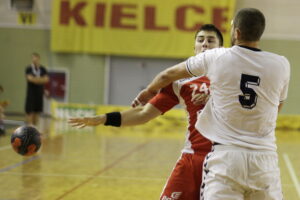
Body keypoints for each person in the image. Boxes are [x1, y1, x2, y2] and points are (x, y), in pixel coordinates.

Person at [131, 8, 290, 200]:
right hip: (265, 158)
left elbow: (167, 75)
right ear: (260, 33)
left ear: (236, 32)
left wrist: (149, 91)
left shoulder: (218, 56)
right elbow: (276, 108)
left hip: (226, 157)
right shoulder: (282, 64)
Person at [69, 24, 223, 200]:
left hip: (223, 159)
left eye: (210, 40)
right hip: (192, 158)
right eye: (200, 40)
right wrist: (104, 118)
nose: (205, 44)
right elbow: (143, 114)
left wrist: (215, 95)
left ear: (220, 48)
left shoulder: (231, 79)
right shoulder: (180, 83)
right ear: (194, 46)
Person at [25, 53, 49, 126]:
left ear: (39, 59)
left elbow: (46, 79)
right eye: (33, 58)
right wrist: (40, 80)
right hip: (31, 94)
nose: (34, 60)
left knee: (37, 111)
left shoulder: (43, 69)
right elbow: (30, 79)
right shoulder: (29, 68)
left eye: (36, 58)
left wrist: (35, 79)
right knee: (29, 111)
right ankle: (29, 126)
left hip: (39, 94)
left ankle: (34, 127)